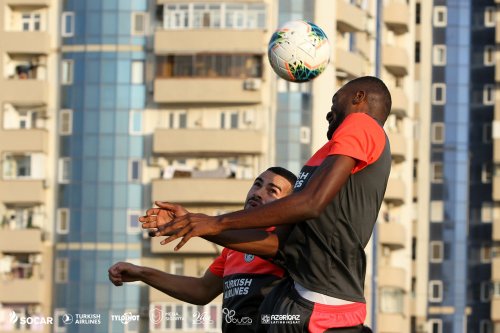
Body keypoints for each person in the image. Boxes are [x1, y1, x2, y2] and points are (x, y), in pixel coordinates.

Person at [144, 76, 392, 333]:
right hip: (300, 304)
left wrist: (215, 221)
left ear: (359, 97)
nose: (330, 112)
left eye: (335, 100)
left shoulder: (362, 124)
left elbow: (311, 203)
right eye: (258, 184)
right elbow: (277, 244)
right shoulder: (325, 156)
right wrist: (194, 224)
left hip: (322, 307)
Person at [108, 167, 297, 332]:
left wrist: (197, 225)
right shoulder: (232, 249)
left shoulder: (288, 240)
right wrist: (142, 273)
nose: (258, 192)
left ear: (287, 205)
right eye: (257, 184)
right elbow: (201, 290)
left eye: (272, 191)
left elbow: (273, 247)